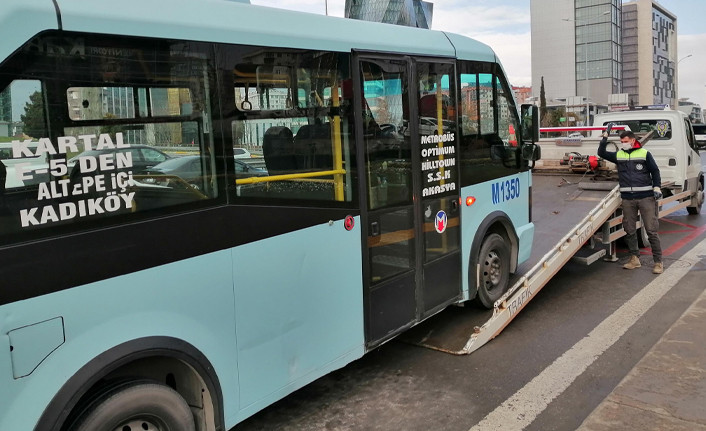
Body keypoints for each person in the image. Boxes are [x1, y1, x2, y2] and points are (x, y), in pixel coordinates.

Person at [598, 127, 663, 274]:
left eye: (626, 141)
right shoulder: (619, 155)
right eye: (621, 141)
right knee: (630, 230)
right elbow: (601, 153)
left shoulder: (645, 153)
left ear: (633, 140)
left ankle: (658, 262)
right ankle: (635, 259)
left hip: (646, 197)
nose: (623, 144)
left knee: (651, 230)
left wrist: (657, 187)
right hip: (628, 199)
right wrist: (604, 138)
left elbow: (655, 171)